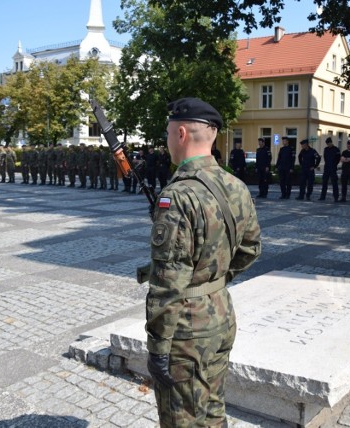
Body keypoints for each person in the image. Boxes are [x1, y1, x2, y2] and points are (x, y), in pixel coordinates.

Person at [143, 97, 261, 426]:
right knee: (211, 411)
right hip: (221, 314)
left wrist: (157, 345)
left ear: (181, 133)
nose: (167, 142)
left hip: (186, 330)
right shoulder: (235, 185)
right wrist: (213, 279)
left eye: (167, 134)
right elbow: (251, 247)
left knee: (184, 420)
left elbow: (168, 282)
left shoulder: (178, 196)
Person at [319, 137, 340, 201]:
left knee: (334, 183)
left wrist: (334, 164)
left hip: (333, 168)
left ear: (331, 142)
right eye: (327, 144)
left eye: (329, 143)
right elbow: (325, 157)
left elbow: (338, 159)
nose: (328, 145)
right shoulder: (326, 149)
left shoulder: (336, 149)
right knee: (324, 182)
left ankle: (336, 197)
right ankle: (322, 197)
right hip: (327, 168)